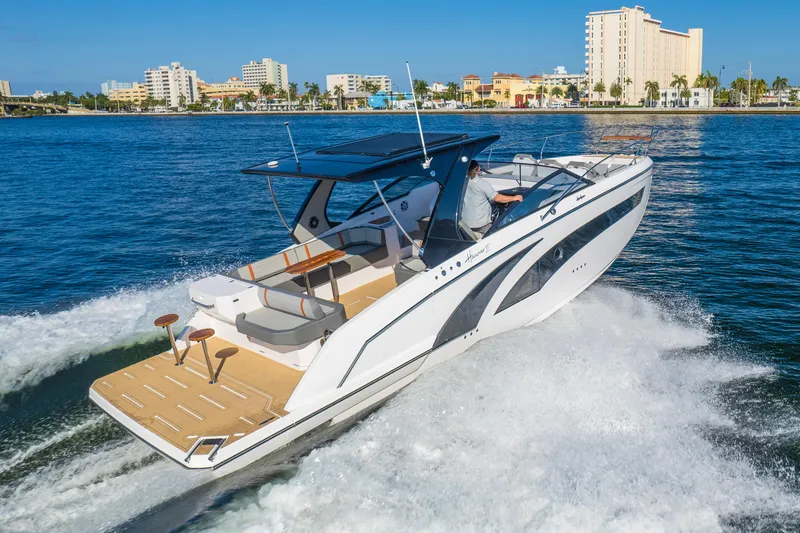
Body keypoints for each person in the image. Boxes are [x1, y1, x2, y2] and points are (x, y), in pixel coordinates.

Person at [461, 160, 523, 236]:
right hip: (481, 225)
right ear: (479, 169)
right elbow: (497, 198)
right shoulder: (480, 183)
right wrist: (514, 198)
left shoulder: (462, 182)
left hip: (465, 223)